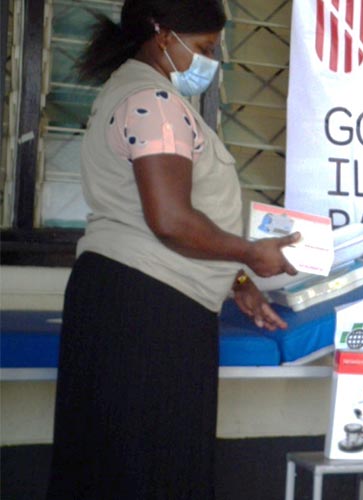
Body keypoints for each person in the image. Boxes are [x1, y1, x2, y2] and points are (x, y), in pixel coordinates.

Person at [47, 1, 298, 498]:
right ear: (164, 35)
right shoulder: (154, 102)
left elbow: (178, 218)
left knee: (115, 467)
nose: (212, 61)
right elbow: (171, 220)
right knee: (148, 469)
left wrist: (238, 280)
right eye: (205, 47)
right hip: (148, 313)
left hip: (130, 300)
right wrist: (249, 254)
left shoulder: (132, 90)